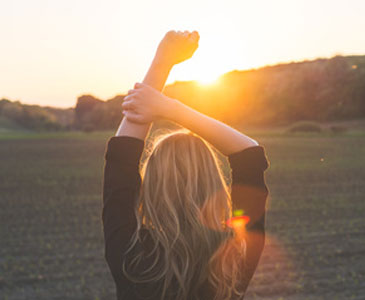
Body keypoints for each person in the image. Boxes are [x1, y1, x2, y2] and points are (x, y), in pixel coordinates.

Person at [102, 30, 270, 300]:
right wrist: (170, 108)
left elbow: (121, 159)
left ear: (151, 185)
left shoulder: (130, 253)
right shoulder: (235, 256)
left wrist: (162, 61)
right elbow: (249, 155)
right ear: (213, 180)